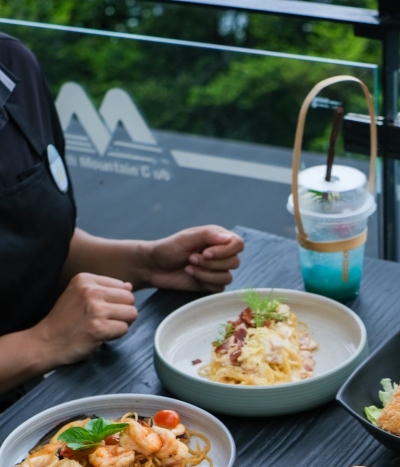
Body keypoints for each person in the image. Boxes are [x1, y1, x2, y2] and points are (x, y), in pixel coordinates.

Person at [0, 31, 244, 393]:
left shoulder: (13, 64)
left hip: (58, 386)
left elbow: (36, 245)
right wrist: (44, 342)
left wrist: (145, 262)